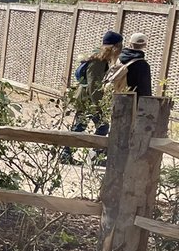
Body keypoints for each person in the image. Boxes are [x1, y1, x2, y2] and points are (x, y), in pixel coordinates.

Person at [61, 31, 119, 163]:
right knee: (102, 127)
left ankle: (66, 154)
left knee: (79, 127)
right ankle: (95, 157)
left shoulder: (101, 59)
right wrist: (99, 107)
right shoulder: (98, 61)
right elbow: (93, 86)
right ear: (114, 47)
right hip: (88, 100)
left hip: (86, 98)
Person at [113, 31, 152, 97]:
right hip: (132, 101)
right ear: (145, 45)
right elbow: (145, 89)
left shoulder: (117, 58)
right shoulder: (143, 65)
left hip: (116, 97)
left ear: (130, 43)